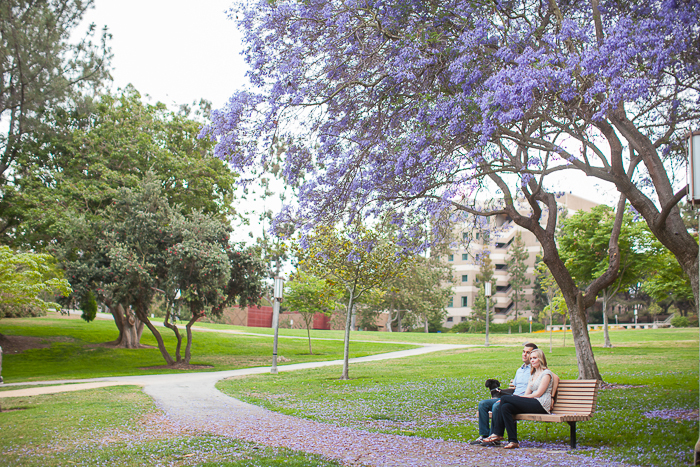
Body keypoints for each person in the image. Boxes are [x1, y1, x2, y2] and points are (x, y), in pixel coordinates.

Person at [480, 348, 556, 449]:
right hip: (532, 402)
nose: (532, 360)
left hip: (541, 404)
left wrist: (515, 398)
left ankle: (497, 433)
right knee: (506, 406)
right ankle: (513, 441)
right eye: (531, 358)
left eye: (535, 358)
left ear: (541, 359)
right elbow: (527, 393)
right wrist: (516, 399)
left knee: (505, 399)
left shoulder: (546, 374)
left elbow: (538, 394)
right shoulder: (533, 374)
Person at [470, 342, 538, 446]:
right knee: (483, 404)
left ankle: (495, 438)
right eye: (523, 352)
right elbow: (514, 388)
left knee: (498, 405)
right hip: (512, 397)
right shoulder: (520, 370)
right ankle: (484, 436)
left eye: (528, 353)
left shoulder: (536, 370)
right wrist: (501, 391)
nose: (524, 354)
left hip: (523, 401)